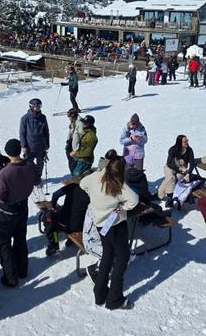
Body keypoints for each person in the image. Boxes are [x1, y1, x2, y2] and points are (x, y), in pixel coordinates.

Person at [80, 150, 139, 310]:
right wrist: (121, 208)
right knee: (122, 258)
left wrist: (94, 198)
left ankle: (99, 293)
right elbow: (134, 200)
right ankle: (114, 299)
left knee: (107, 254)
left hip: (101, 224)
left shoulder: (95, 177)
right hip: (116, 225)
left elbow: (82, 184)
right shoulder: (119, 185)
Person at [0, 139, 41, 287]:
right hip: (23, 207)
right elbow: (36, 181)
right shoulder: (30, 165)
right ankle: (22, 270)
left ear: (8, 153)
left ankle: (11, 278)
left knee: (4, 243)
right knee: (20, 238)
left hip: (7, 211)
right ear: (19, 150)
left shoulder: (4, 173)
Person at [42, 181, 90, 256]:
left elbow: (55, 195)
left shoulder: (73, 186)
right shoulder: (93, 192)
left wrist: (53, 206)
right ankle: (70, 240)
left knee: (50, 223)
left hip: (63, 223)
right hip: (79, 226)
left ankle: (54, 244)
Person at [158, 135, 195, 200]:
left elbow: (192, 163)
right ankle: (170, 196)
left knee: (178, 177)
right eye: (185, 141)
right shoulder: (173, 149)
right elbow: (169, 163)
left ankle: (159, 194)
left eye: (187, 140)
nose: (187, 142)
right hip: (170, 167)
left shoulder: (189, 150)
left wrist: (188, 174)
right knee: (171, 177)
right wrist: (179, 169)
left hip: (182, 168)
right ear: (179, 142)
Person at [19, 98, 50, 177]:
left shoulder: (43, 117)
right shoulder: (25, 118)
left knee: (40, 164)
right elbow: (22, 133)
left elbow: (46, 132)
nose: (39, 107)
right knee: (28, 164)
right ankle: (29, 178)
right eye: (37, 106)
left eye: (40, 105)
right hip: (30, 147)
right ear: (31, 106)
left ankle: (38, 178)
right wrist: (23, 146)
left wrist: (47, 145)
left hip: (40, 146)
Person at [65, 108, 84, 174]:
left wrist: (77, 149)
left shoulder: (80, 124)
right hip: (71, 145)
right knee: (71, 164)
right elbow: (71, 133)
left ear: (73, 116)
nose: (69, 118)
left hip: (76, 149)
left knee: (74, 166)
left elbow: (82, 137)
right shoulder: (73, 122)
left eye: (69, 116)